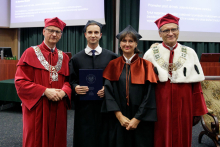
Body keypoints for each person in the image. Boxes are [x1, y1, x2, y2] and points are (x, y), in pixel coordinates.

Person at [143, 13, 208, 147]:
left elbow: (196, 85)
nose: (170, 33)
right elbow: (145, 86)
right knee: (160, 135)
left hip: (185, 103)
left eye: (174, 29)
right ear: (159, 33)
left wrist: (197, 110)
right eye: (166, 30)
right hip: (160, 102)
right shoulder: (150, 54)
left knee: (183, 136)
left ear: (178, 31)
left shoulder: (190, 52)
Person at [15, 17, 72, 147]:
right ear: (43, 31)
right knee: (35, 139)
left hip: (58, 106)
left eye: (58, 32)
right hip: (38, 107)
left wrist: (64, 92)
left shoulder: (65, 57)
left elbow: (69, 81)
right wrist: (44, 91)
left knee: (57, 138)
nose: (54, 34)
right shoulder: (29, 53)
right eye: (51, 30)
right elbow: (20, 82)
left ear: (61, 35)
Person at [101, 25, 158, 147]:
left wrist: (137, 119)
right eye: (124, 41)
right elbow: (108, 93)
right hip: (118, 119)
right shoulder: (112, 64)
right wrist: (119, 116)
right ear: (120, 43)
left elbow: (149, 96)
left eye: (130, 41)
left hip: (141, 120)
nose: (127, 44)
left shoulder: (147, 66)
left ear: (136, 44)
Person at [69, 20, 118, 147]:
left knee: (104, 137)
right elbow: (71, 80)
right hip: (84, 107)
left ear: (101, 35)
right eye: (90, 32)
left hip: (105, 106)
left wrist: (107, 89)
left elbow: (116, 80)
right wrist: (75, 88)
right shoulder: (76, 58)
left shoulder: (112, 57)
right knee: (85, 136)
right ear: (85, 34)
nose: (93, 35)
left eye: (96, 32)